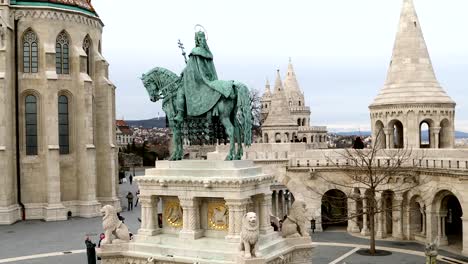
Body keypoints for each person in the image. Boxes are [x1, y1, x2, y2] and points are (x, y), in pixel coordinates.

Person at [173, 30, 232, 123]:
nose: (201, 40)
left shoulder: (195, 51)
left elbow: (190, 69)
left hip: (199, 80)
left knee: (181, 91)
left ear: (197, 40)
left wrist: (183, 72)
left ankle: (180, 115)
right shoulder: (208, 53)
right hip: (210, 78)